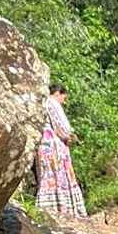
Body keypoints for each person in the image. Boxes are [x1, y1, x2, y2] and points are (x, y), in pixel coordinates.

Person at [36, 84, 87, 218]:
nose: (64, 101)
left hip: (44, 141)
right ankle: (60, 208)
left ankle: (50, 206)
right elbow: (62, 126)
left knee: (48, 173)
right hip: (53, 144)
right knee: (57, 173)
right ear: (58, 93)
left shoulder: (42, 102)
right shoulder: (52, 102)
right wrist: (71, 136)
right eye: (63, 98)